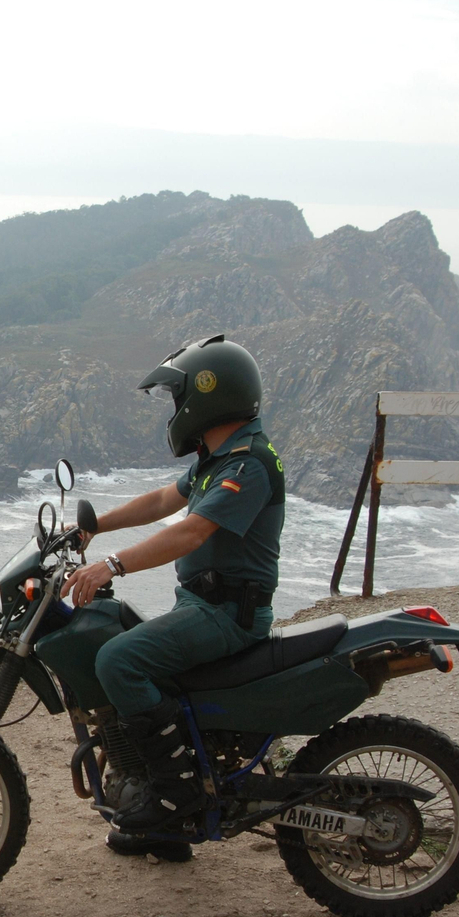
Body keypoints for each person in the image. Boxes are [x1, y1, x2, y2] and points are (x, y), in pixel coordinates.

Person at [64, 334, 284, 842]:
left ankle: (175, 795)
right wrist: (95, 525)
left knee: (119, 661)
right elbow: (165, 499)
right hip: (203, 605)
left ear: (209, 396)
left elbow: (190, 531)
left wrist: (111, 566)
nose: (176, 409)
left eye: (180, 397)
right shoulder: (219, 457)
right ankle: (162, 819)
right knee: (117, 638)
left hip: (226, 616)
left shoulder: (246, 464)